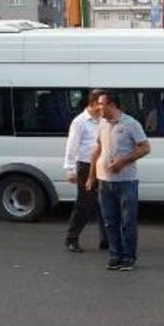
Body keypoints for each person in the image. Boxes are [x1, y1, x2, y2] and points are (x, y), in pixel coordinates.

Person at [87, 92, 151, 271]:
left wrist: (123, 161)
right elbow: (97, 150)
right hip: (104, 181)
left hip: (126, 182)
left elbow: (145, 148)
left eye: (101, 104)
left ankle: (129, 258)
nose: (98, 107)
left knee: (128, 221)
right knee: (109, 221)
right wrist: (91, 176)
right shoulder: (102, 124)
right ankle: (115, 255)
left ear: (112, 105)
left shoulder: (130, 124)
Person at [63, 89, 108, 253]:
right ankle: (72, 239)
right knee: (84, 204)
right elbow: (71, 146)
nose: (104, 107)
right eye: (101, 103)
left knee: (106, 203)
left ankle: (106, 240)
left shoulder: (104, 119)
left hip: (103, 166)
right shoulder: (80, 121)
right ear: (93, 103)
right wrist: (69, 169)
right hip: (86, 166)